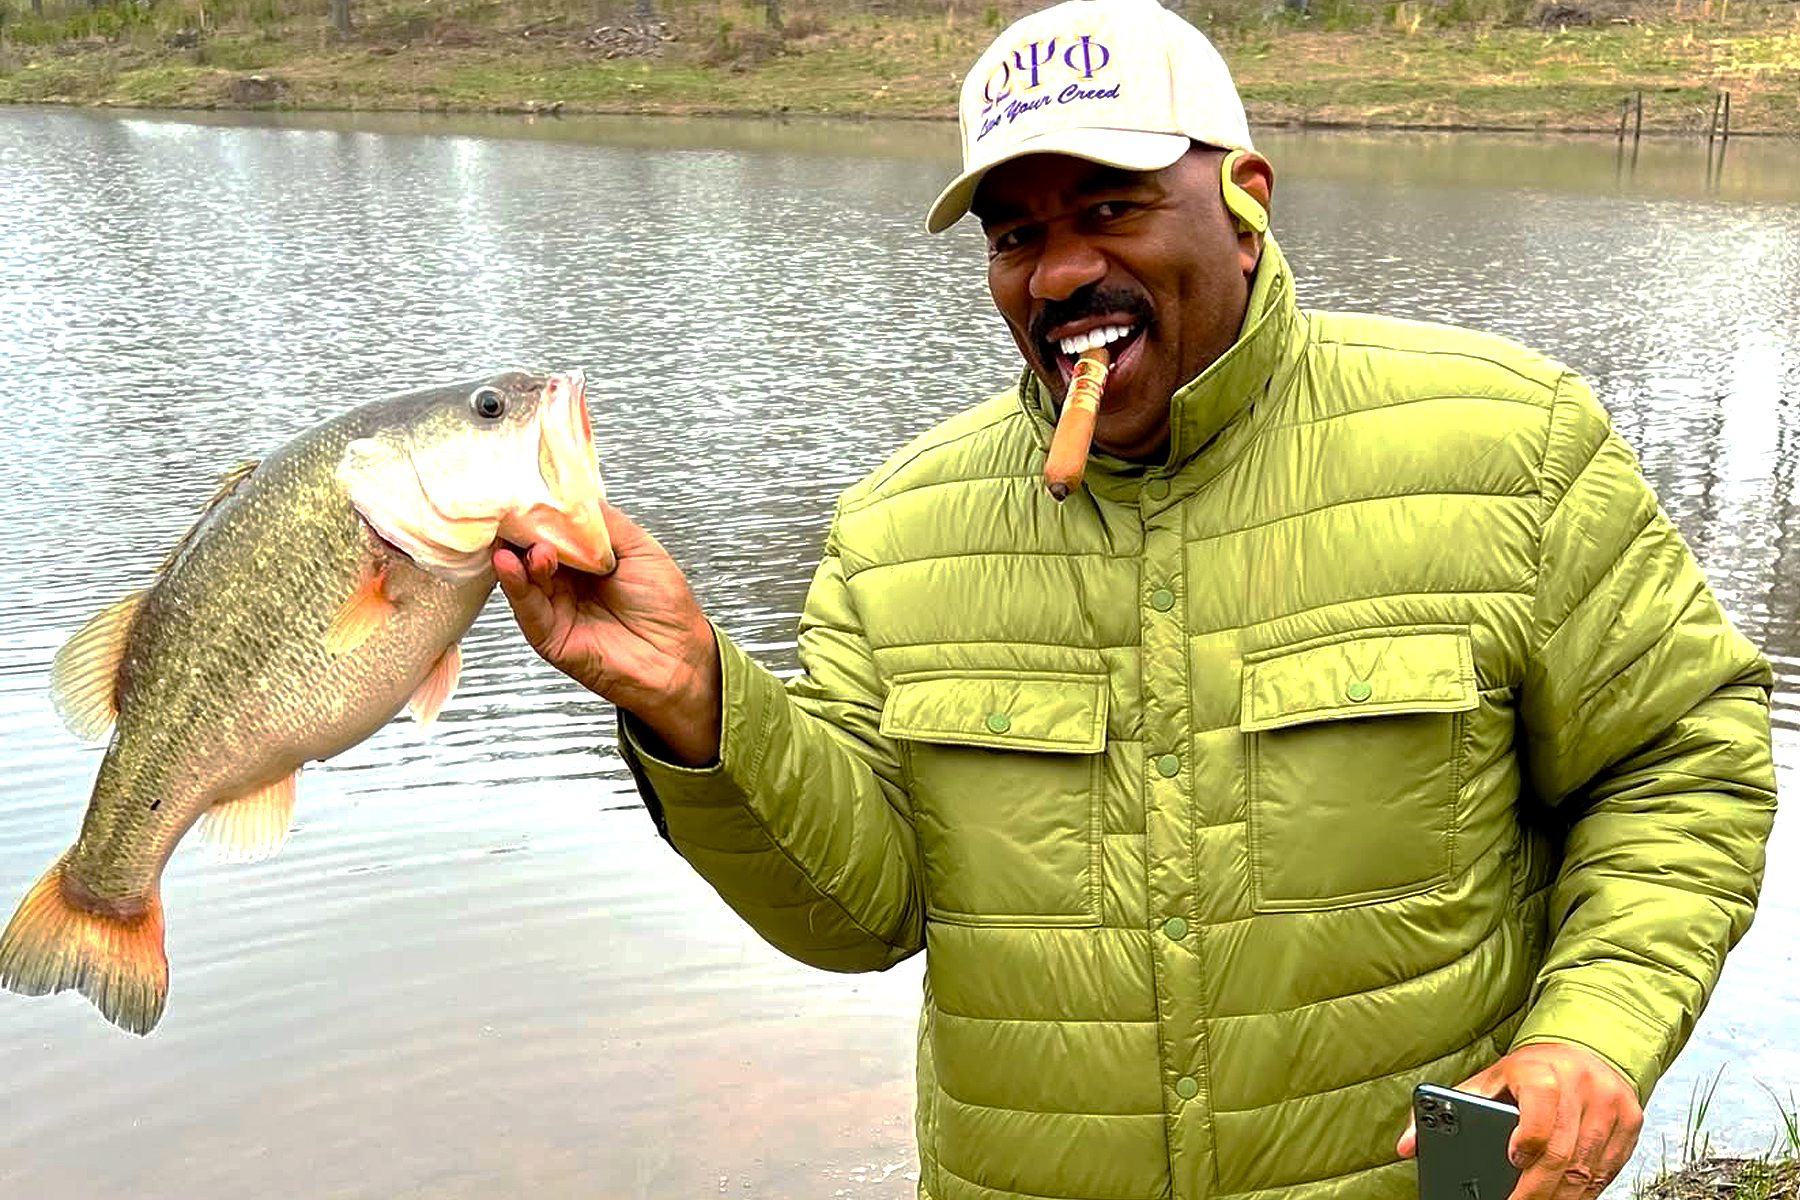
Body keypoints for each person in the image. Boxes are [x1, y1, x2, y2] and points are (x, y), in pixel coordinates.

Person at [493, 0, 1779, 1196]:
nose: (1057, 276)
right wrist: (698, 700)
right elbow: (860, 914)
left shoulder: (1508, 443)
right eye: (1018, 235)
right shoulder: (897, 530)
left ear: (1244, 203)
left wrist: (1594, 1032)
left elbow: (1678, 764)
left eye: (1110, 210)